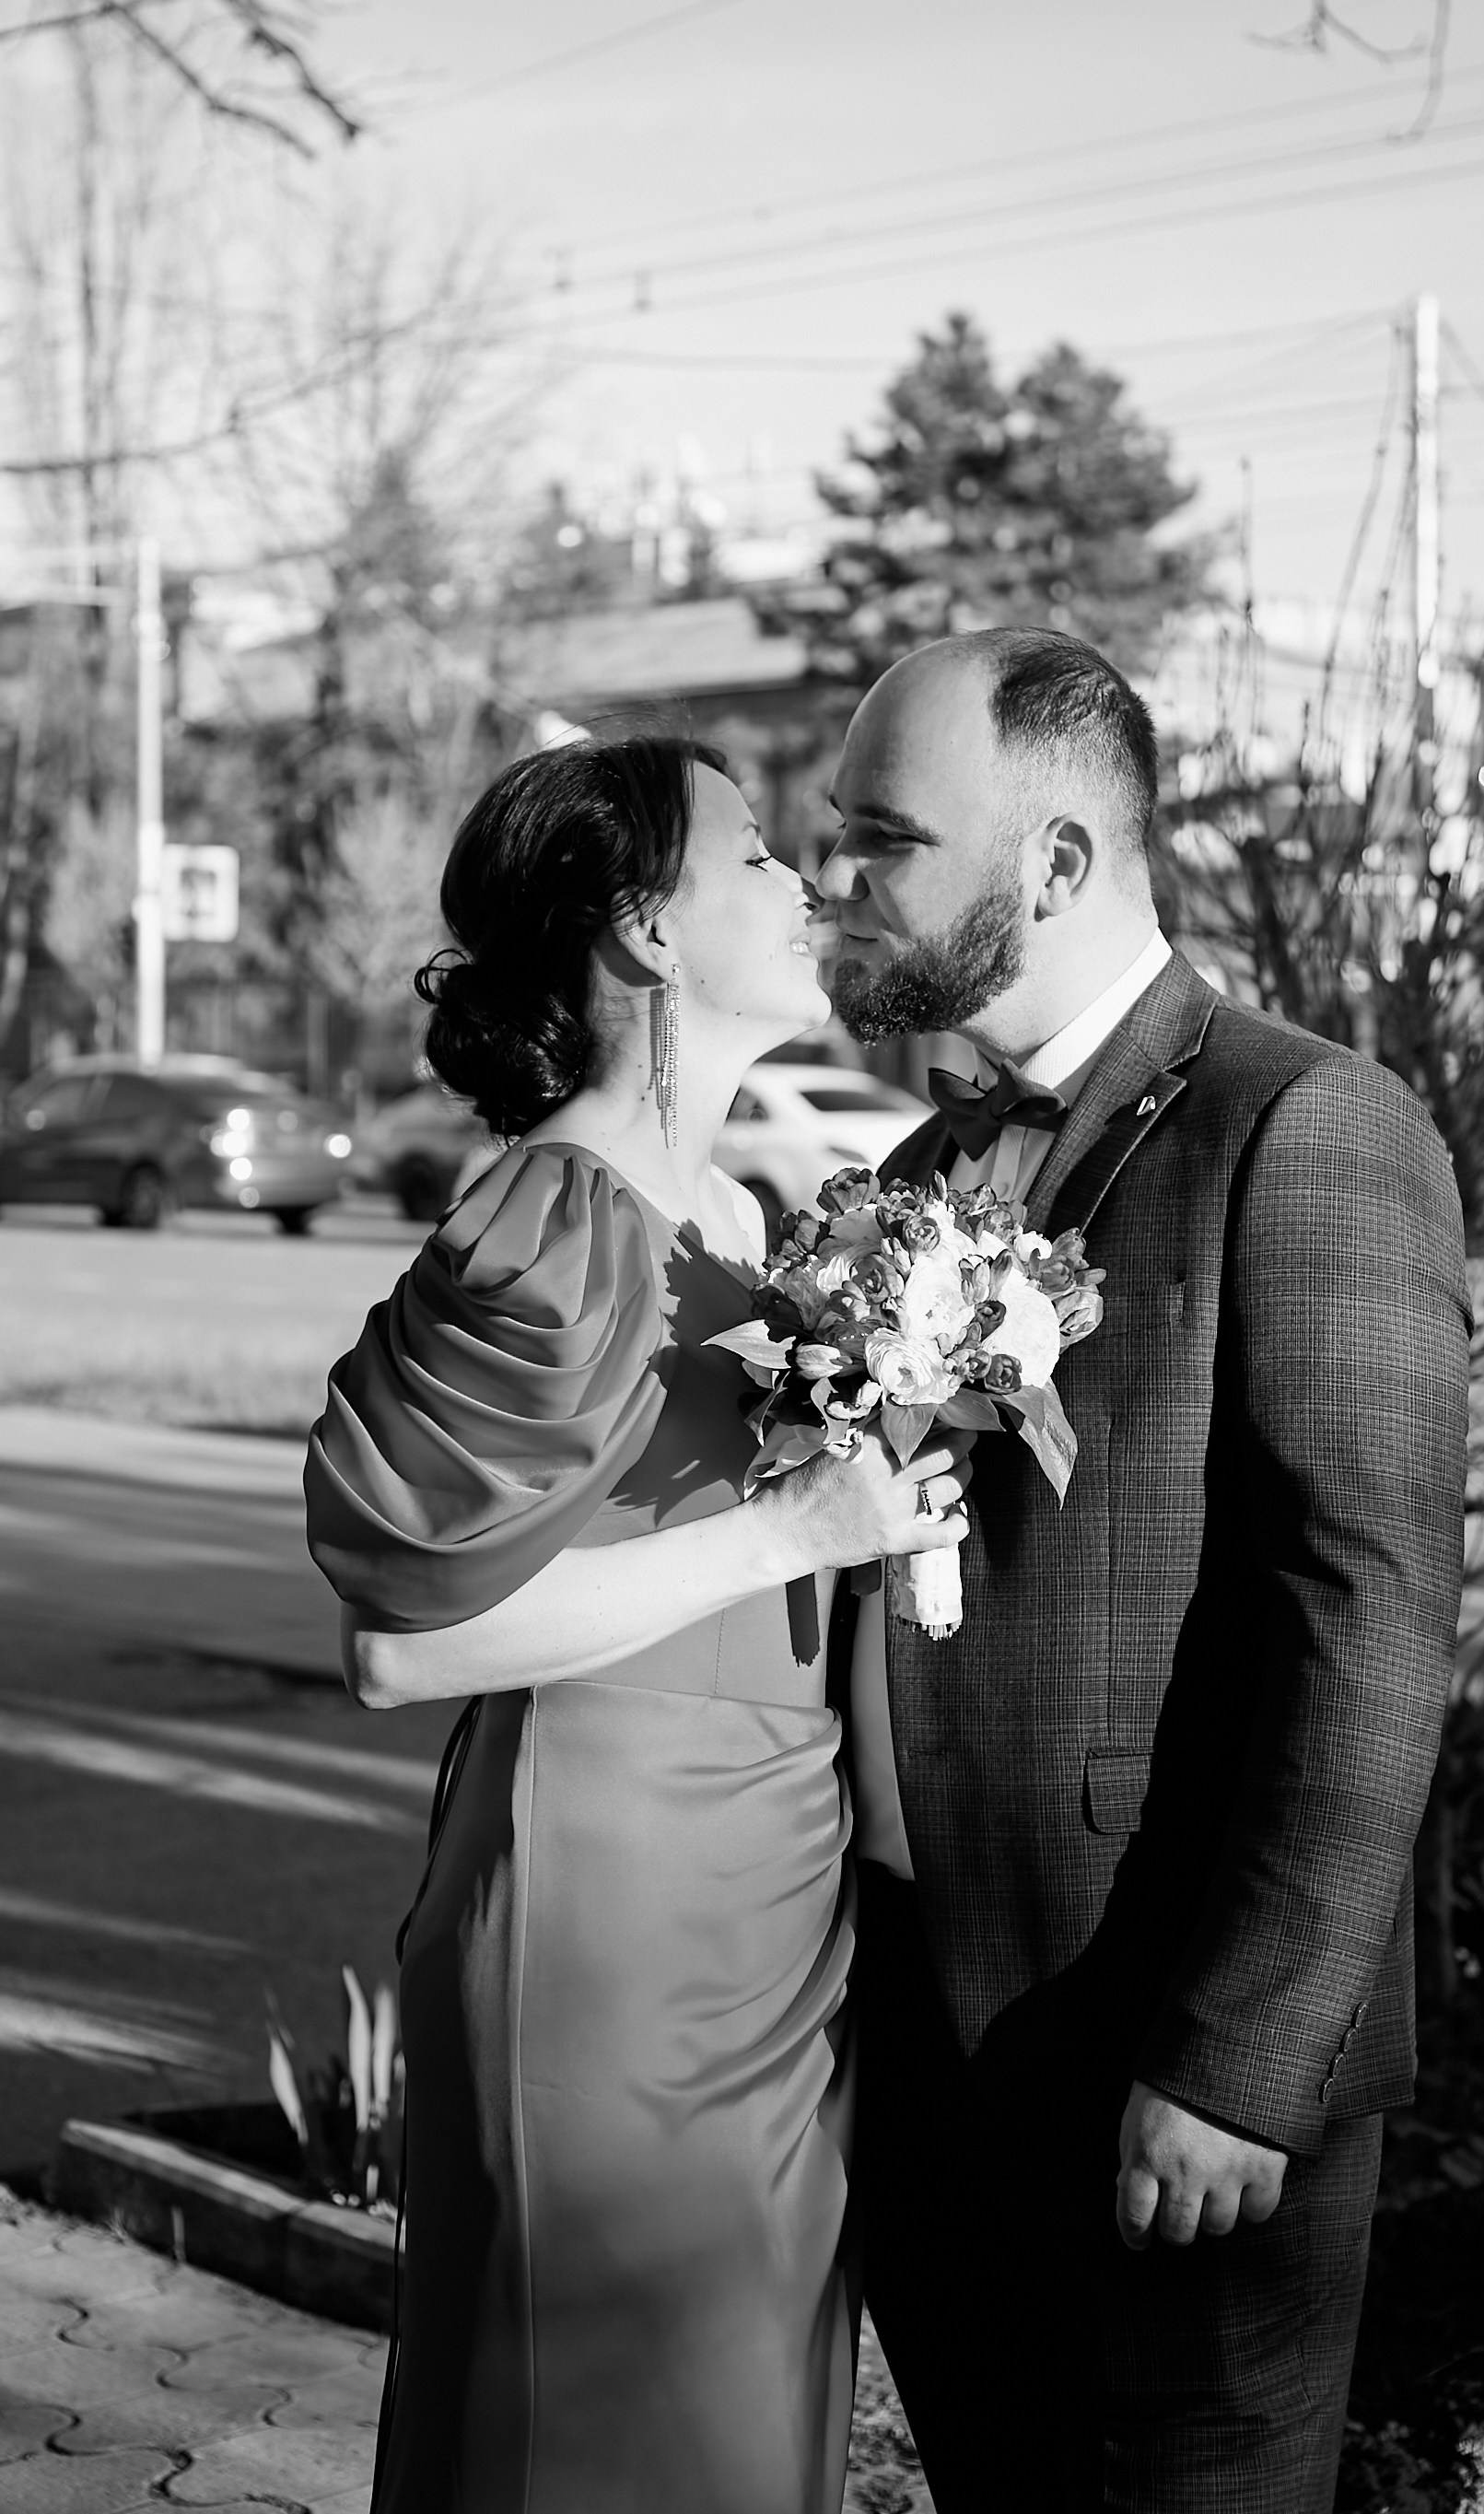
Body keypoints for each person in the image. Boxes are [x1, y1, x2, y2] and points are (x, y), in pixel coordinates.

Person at [816, 628, 1471, 2513]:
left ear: (1053, 865)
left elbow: (1367, 1634)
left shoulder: (1306, 1127)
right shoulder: (917, 1168)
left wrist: (1242, 2061)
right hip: (922, 2052)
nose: (840, 875)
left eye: (884, 836)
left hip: (1159, 2054)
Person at [304, 734, 972, 2514]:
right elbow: (401, 1644)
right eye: (752, 853)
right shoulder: (556, 1215)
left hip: (776, 1902)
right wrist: (787, 1533)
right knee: (599, 2438)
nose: (801, 879)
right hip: (607, 1912)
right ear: (648, 933)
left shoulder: (751, 1218)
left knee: (742, 2432)